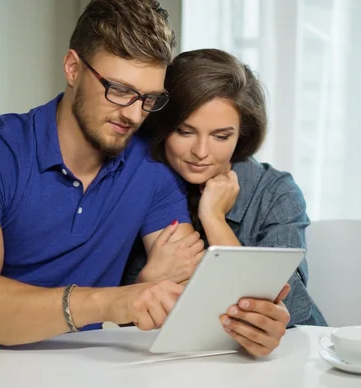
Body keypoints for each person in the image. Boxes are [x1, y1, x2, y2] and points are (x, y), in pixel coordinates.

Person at [0, 0, 207, 372]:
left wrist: (244, 310)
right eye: (118, 90)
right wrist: (111, 302)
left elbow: (183, 290)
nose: (133, 114)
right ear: (72, 68)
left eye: (149, 99)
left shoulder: (152, 167)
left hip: (80, 376)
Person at [124, 49, 327, 356]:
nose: (201, 151)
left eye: (220, 136)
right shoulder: (140, 185)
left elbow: (296, 311)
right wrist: (146, 282)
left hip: (282, 363)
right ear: (162, 126)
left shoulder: (275, 193)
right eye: (185, 131)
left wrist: (214, 219)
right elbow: (122, 316)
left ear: (241, 134)